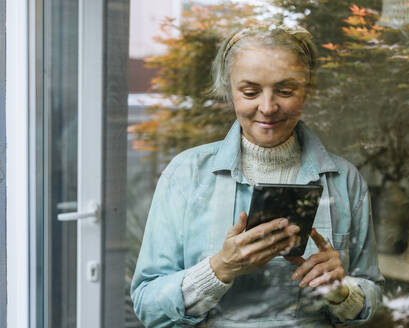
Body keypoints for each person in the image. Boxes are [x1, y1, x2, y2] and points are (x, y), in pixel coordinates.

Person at [131, 25, 384, 327]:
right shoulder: (186, 174)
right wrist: (219, 269)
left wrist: (342, 292)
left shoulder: (344, 180)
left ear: (307, 90)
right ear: (230, 91)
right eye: (250, 92)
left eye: (286, 91)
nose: (267, 107)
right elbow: (148, 305)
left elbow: (372, 300)